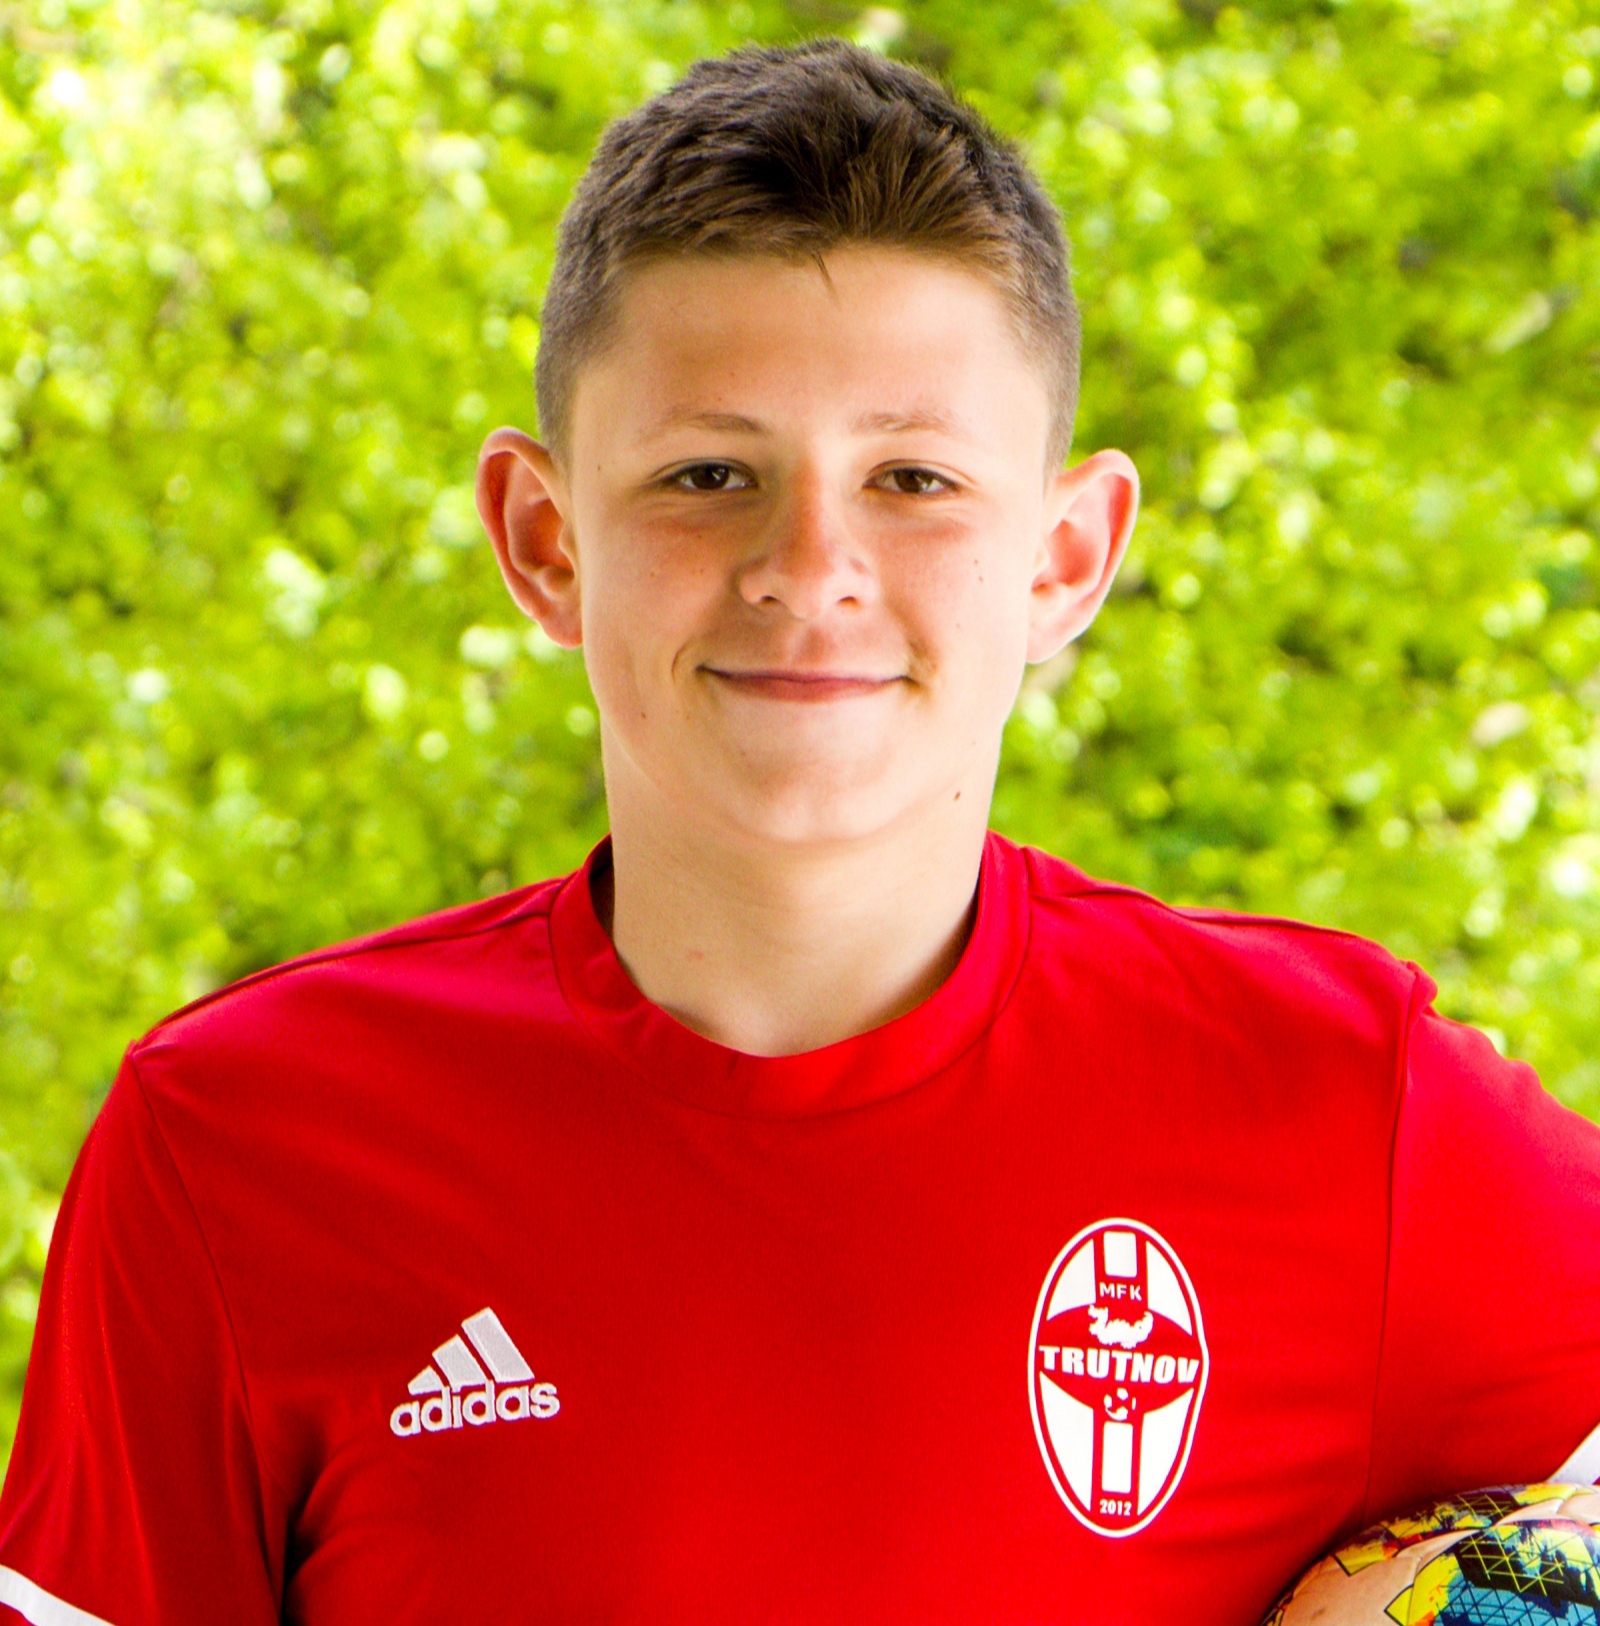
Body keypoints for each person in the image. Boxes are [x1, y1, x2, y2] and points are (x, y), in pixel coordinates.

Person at [2, 37, 1598, 1626]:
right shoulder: (233, 1149)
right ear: (546, 539)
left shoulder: (1347, 1106)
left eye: (913, 477)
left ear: (1064, 558)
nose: (809, 566)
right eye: (710, 472)